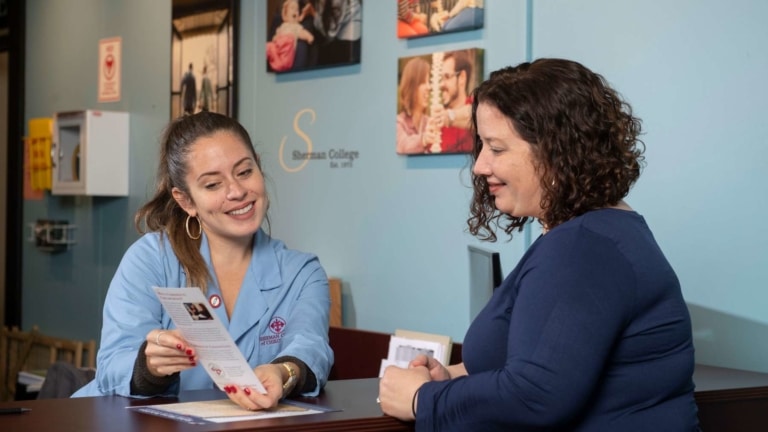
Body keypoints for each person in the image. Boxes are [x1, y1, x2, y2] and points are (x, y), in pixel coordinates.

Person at [379, 58, 700, 430]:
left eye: (496, 149)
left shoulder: (585, 247)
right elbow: (546, 363)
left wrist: (422, 400)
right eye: (481, 146)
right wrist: (453, 379)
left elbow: (536, 396)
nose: (480, 166)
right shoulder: (591, 233)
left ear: (556, 153)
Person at [72, 112, 334, 412]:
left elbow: (310, 347)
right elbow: (112, 365)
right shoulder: (150, 260)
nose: (236, 192)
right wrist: (150, 366)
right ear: (186, 201)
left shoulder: (302, 273)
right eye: (212, 185)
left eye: (245, 172)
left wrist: (283, 372)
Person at [431, 49, 474, 153]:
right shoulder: (437, 119)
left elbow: (476, 115)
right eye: (440, 79)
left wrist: (450, 116)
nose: (441, 84)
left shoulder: (475, 105)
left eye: (447, 77)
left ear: (462, 78)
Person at [396, 56, 441, 154]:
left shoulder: (429, 122)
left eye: (429, 82)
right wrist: (424, 139)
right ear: (412, 86)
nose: (429, 87)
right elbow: (403, 146)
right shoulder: (399, 123)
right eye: (424, 82)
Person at [266, 0, 315, 72]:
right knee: (268, 46)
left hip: (287, 52)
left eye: (297, 10)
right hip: (278, 49)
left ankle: (278, 64)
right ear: (285, 14)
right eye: (292, 8)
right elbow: (275, 37)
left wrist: (309, 37)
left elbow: (302, 33)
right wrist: (275, 38)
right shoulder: (282, 25)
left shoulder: (296, 26)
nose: (295, 11)